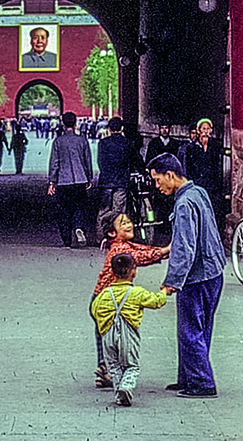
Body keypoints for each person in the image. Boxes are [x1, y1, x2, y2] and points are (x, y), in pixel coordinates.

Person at [149, 152, 225, 398]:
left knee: (190, 330)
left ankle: (201, 382)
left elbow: (185, 247)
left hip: (197, 276)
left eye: (158, 180)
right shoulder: (198, 192)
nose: (157, 186)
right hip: (213, 271)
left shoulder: (183, 203)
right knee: (200, 329)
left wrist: (171, 281)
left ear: (170, 175)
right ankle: (189, 377)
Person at [91, 209, 170, 389]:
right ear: (112, 233)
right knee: (118, 336)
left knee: (104, 335)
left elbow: (140, 249)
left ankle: (104, 369)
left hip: (102, 299)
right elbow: (140, 255)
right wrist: (165, 250)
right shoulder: (120, 249)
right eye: (123, 223)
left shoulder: (123, 244)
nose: (128, 225)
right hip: (111, 300)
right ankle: (113, 370)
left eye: (128, 221)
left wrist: (163, 251)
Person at [91, 251, 167, 406]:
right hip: (128, 334)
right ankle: (126, 386)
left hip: (108, 334)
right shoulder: (137, 293)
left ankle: (119, 394)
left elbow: (94, 309)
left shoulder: (104, 294)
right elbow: (156, 301)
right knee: (131, 366)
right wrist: (165, 291)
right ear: (134, 272)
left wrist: (104, 325)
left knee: (114, 367)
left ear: (112, 272)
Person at [47, 110, 93, 247]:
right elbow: (87, 161)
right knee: (80, 207)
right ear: (76, 122)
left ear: (62, 123)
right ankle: (79, 227)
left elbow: (55, 163)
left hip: (63, 181)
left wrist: (52, 182)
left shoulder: (58, 141)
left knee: (64, 210)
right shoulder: (82, 140)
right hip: (79, 180)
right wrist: (89, 178)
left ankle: (66, 239)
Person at [95, 115, 141, 239]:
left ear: (109, 129)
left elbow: (100, 162)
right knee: (119, 210)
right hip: (121, 181)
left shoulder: (103, 143)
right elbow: (136, 160)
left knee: (103, 209)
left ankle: (101, 235)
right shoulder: (127, 143)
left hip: (106, 181)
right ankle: (116, 236)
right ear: (122, 128)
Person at [182, 116, 224, 221]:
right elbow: (189, 166)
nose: (205, 131)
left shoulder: (215, 145)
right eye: (203, 129)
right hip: (198, 181)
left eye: (207, 129)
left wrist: (206, 148)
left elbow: (216, 164)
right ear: (198, 131)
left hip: (211, 182)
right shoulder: (191, 147)